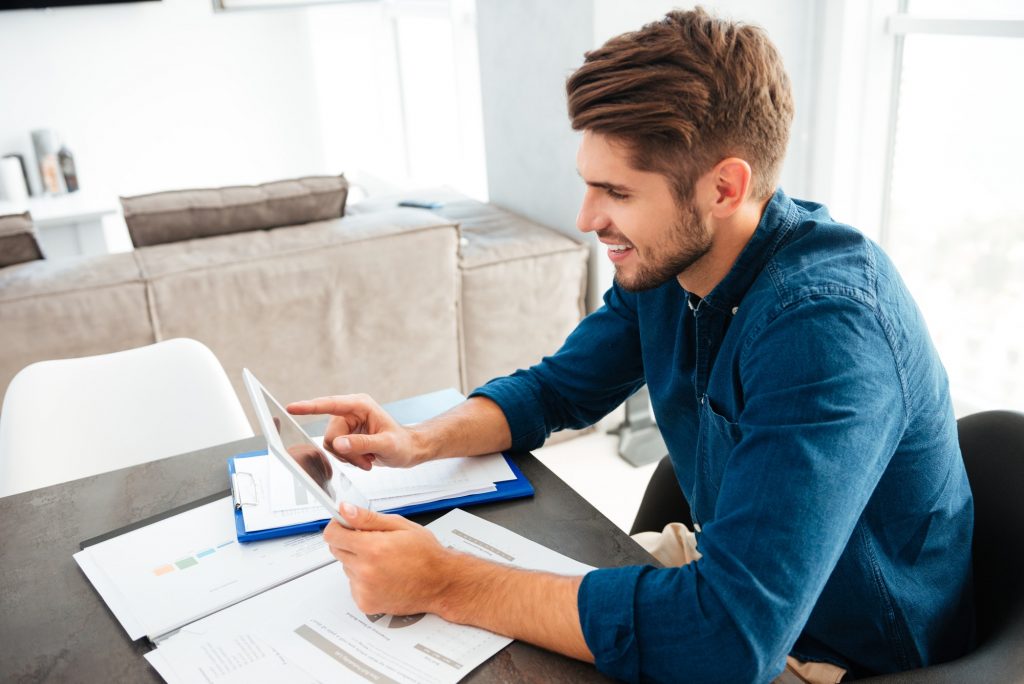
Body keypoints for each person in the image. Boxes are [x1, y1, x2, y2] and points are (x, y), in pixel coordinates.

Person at [286, 8, 974, 682]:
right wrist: (416, 441)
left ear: (724, 188)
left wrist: (445, 584)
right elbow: (558, 389)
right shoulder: (669, 264)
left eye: (615, 191)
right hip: (728, 581)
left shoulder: (825, 331)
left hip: (835, 650)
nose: (587, 218)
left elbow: (732, 639)